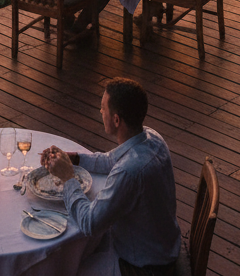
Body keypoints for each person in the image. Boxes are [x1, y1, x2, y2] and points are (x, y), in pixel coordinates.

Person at [40, 77, 182, 276]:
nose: (100, 112)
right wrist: (75, 159)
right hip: (162, 245)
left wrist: (67, 178)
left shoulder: (129, 171)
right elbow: (110, 160)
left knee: (61, 269)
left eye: (102, 108)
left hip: (143, 266)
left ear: (116, 119)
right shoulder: (151, 137)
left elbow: (90, 223)